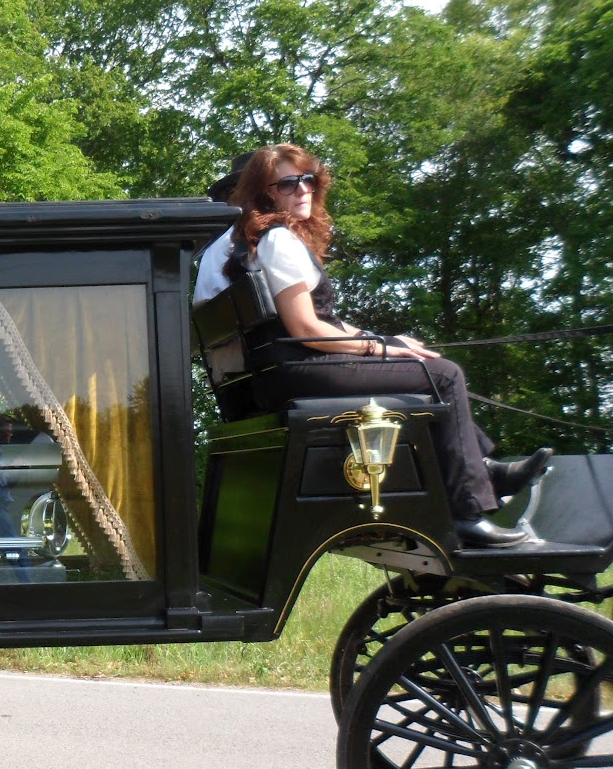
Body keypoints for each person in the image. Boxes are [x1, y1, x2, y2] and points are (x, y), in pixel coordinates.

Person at [194, 144, 551, 548]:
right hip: (295, 367)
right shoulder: (278, 240)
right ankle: (467, 511)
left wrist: (384, 340)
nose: (303, 190)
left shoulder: (250, 244)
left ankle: (482, 470)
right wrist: (377, 350)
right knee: (446, 375)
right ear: (266, 193)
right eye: (289, 183)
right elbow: (305, 326)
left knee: (425, 367)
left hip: (275, 370)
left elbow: (317, 321)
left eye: (308, 179)